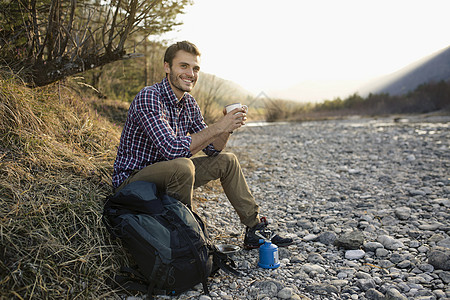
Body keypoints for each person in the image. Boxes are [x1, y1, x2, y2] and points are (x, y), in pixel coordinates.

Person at [112, 41, 292, 249]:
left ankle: (255, 228)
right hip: (134, 183)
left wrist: (227, 126)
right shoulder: (149, 97)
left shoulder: (189, 103)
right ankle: (188, 235)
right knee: (183, 165)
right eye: (183, 66)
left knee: (227, 161)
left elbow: (212, 149)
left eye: (195, 68)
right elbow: (172, 150)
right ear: (167, 67)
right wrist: (218, 127)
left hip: (170, 177)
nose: (191, 73)